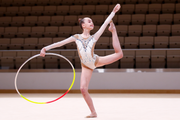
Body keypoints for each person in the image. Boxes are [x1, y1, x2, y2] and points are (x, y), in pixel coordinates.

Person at [40, 4, 123, 118]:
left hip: (95, 61)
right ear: (83, 25)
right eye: (89, 21)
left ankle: (113, 31)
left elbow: (104, 24)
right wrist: (45, 49)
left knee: (119, 54)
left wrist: (113, 12)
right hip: (86, 66)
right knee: (83, 89)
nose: (91, 22)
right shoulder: (76, 37)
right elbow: (60, 43)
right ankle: (93, 112)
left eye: (92, 21)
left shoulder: (94, 37)